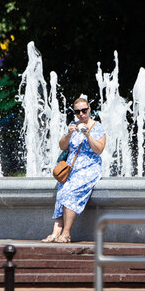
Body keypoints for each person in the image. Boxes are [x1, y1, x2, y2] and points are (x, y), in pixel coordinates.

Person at [43, 98, 107, 243]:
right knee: (62, 193)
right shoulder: (72, 125)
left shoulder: (97, 127)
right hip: (71, 168)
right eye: (77, 112)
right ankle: (55, 232)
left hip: (89, 168)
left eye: (84, 110)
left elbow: (99, 149)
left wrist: (87, 134)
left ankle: (66, 233)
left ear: (89, 110)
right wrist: (68, 134)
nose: (81, 114)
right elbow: (62, 146)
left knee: (70, 192)